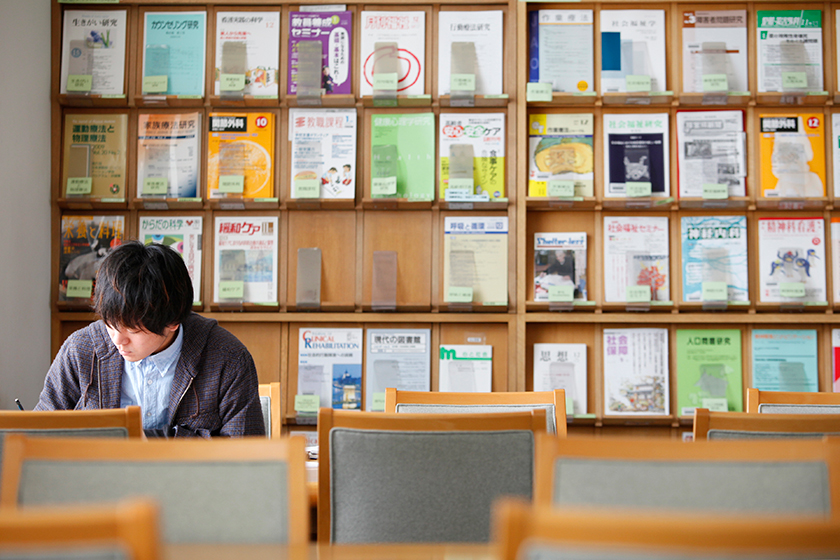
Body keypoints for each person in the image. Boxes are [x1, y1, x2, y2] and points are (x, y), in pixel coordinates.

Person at [35, 241, 265, 438]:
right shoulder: (81, 350)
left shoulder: (227, 358)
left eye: (132, 331)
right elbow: (39, 434)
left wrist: (147, 441)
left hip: (193, 488)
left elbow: (247, 458)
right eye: (110, 324)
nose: (117, 340)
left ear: (173, 321)